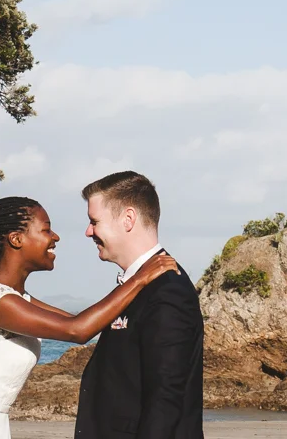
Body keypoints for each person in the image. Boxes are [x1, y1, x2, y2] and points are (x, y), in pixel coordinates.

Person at [0, 195, 179, 439]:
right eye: (46, 230)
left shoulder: (13, 297)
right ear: (16, 239)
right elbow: (77, 331)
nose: (55, 237)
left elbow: (81, 321)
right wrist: (139, 278)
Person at [74, 172, 204, 439]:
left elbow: (165, 400)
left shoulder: (168, 290)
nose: (88, 232)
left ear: (128, 219)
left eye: (94, 221)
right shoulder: (139, 285)